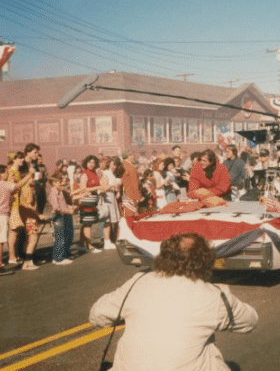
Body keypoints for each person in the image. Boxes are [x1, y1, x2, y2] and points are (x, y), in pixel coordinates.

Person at [89, 232, 258, 371]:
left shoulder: (138, 281)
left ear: (163, 256)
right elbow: (250, 321)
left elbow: (96, 315)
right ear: (204, 261)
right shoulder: (214, 294)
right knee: (213, 357)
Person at [0, 163, 33, 274]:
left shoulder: (5, 184)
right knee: (0, 242)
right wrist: (29, 175)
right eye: (5, 172)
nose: (7, 174)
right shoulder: (4, 184)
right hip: (2, 215)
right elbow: (18, 186)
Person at [47, 173, 76, 265]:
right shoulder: (54, 192)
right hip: (59, 217)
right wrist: (68, 211)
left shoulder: (58, 191)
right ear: (54, 183)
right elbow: (56, 207)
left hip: (62, 215)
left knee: (63, 236)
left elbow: (62, 205)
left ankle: (59, 256)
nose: (61, 183)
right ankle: (58, 258)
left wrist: (69, 208)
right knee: (60, 237)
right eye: (59, 182)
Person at [78, 155, 102, 253]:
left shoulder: (95, 173)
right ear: (86, 163)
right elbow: (83, 189)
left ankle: (81, 244)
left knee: (87, 223)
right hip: (86, 200)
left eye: (93, 162)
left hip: (93, 200)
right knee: (87, 224)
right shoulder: (85, 174)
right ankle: (89, 245)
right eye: (89, 162)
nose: (91, 164)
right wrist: (96, 188)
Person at [101, 157, 124, 250]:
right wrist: (113, 185)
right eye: (112, 164)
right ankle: (107, 241)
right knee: (108, 220)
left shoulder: (113, 174)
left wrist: (117, 189)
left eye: (115, 164)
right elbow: (104, 187)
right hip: (107, 197)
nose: (113, 166)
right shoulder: (106, 173)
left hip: (112, 196)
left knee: (113, 220)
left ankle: (112, 240)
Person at [120, 151, 142, 217]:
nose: (134, 157)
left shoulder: (123, 165)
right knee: (130, 215)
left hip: (125, 192)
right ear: (129, 156)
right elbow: (134, 182)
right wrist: (137, 196)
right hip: (130, 193)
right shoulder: (130, 167)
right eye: (133, 155)